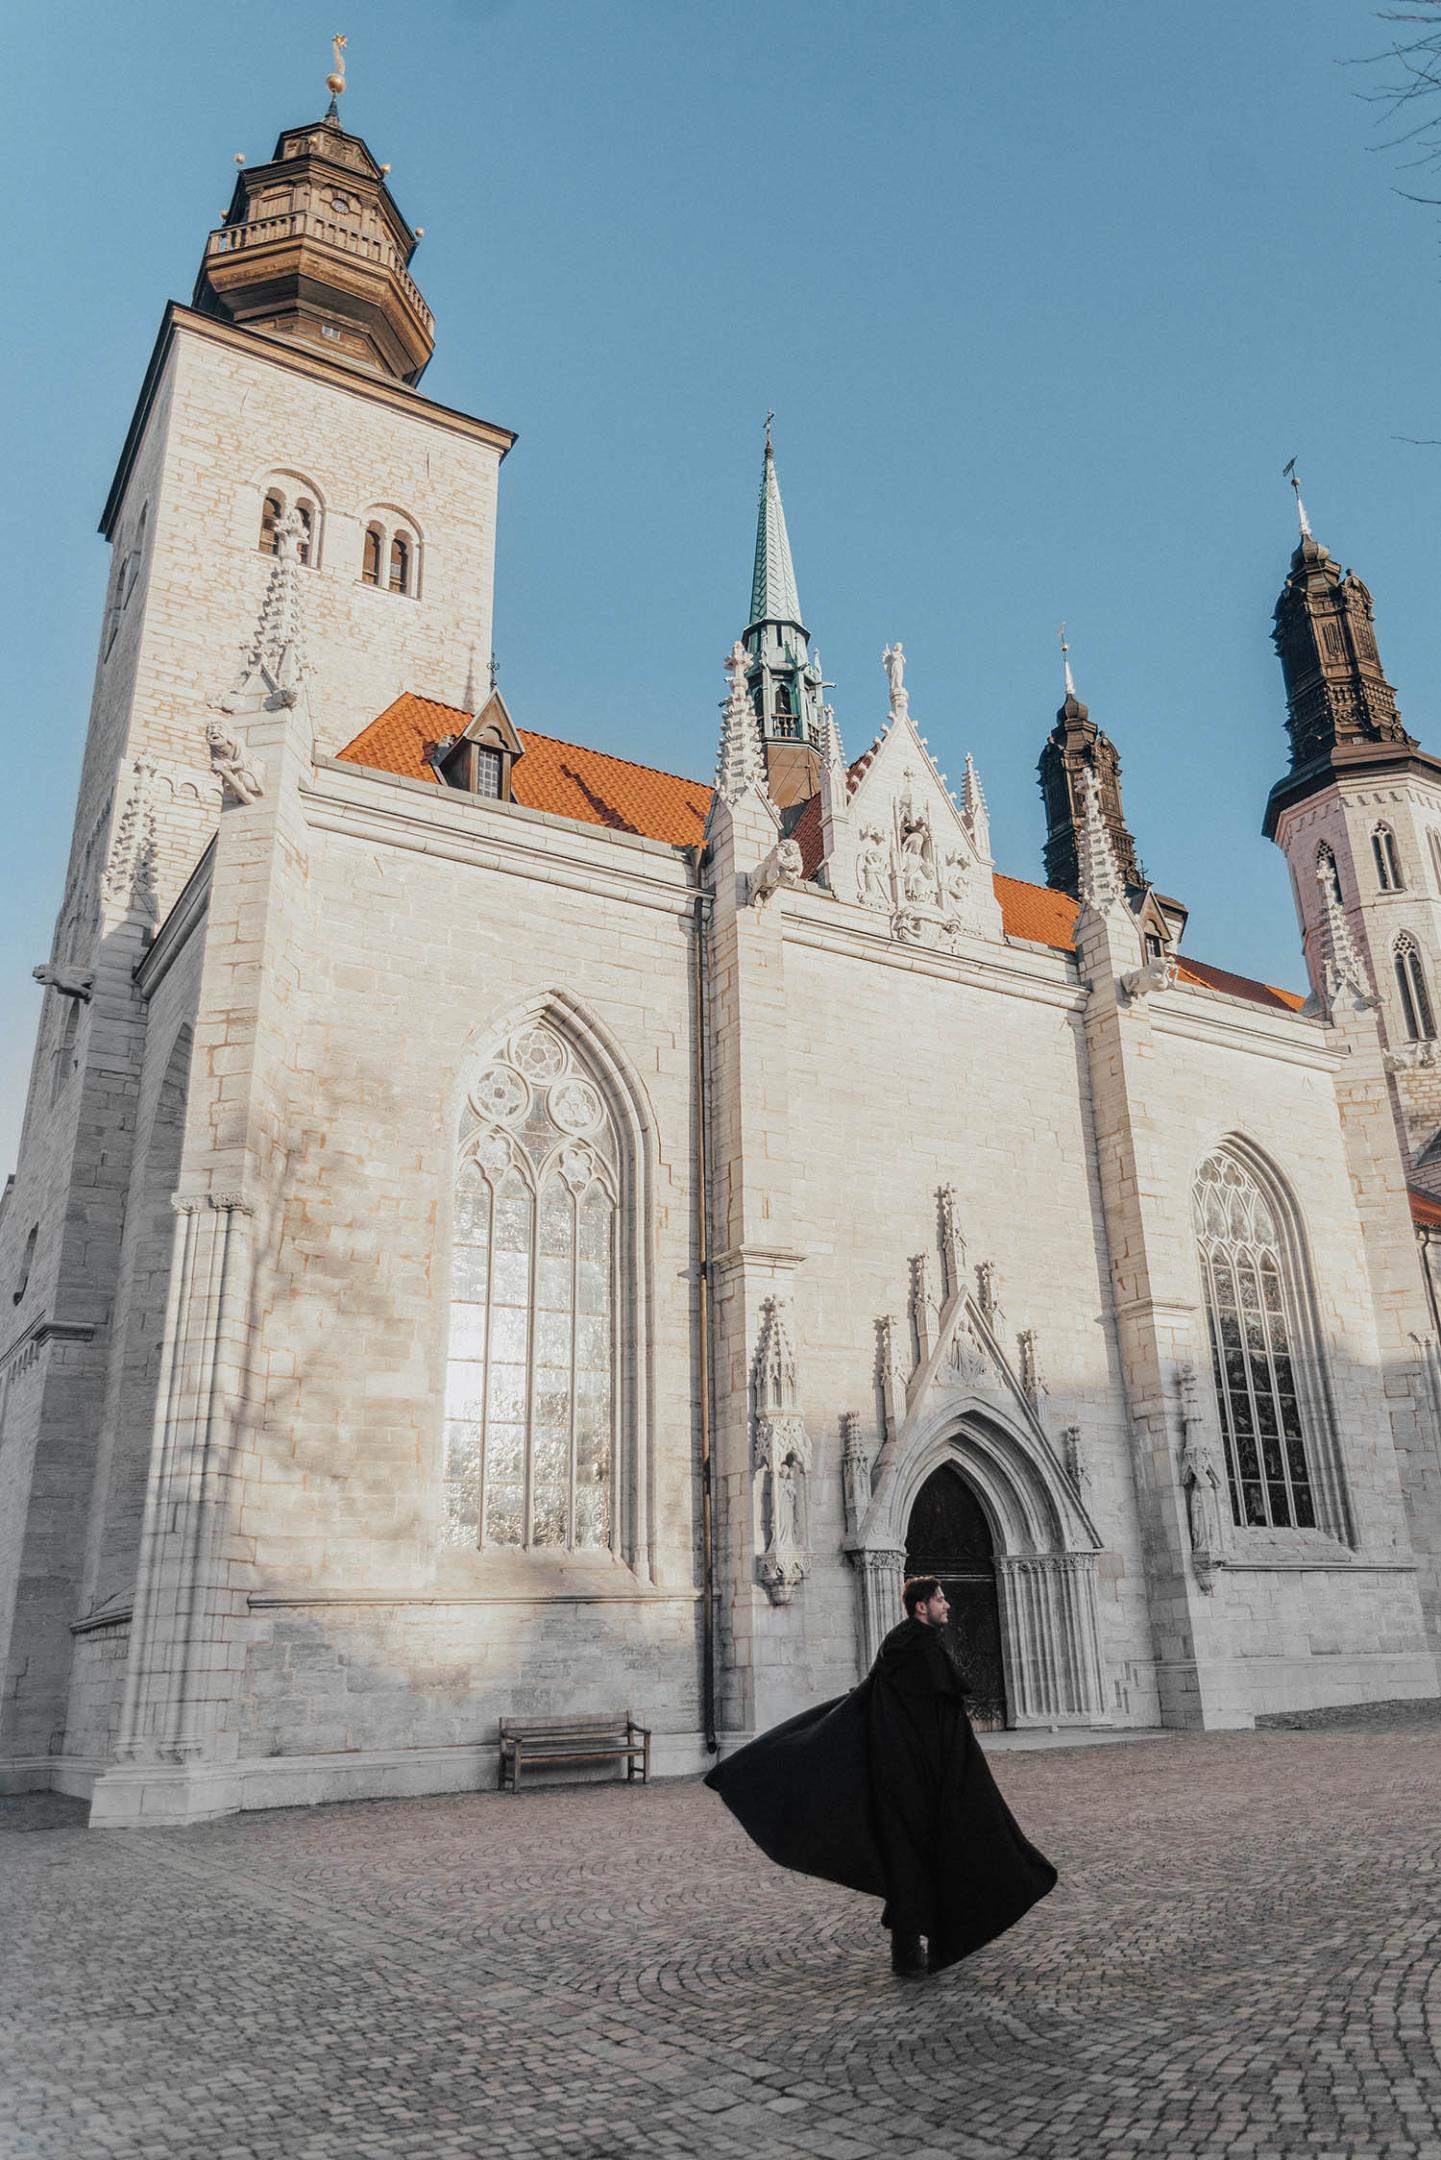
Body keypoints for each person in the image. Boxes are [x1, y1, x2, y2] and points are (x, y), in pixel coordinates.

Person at [704, 1574, 1056, 1978]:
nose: (948, 1606)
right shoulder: (918, 1651)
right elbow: (932, 1721)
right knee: (921, 1855)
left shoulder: (898, 1646)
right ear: (921, 1606)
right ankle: (916, 1947)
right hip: (918, 1778)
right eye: (941, 1599)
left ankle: (908, 1949)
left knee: (907, 1859)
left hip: (899, 1775)